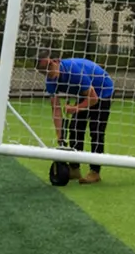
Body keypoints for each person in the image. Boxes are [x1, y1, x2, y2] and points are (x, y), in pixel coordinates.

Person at [36, 49, 115, 184]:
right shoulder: (50, 82)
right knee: (75, 128)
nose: (47, 73)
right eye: (42, 71)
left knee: (96, 130)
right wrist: (60, 136)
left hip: (102, 91)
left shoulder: (73, 71)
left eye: (49, 67)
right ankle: (74, 169)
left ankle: (95, 172)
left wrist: (76, 108)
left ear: (56, 61)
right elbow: (56, 110)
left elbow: (94, 99)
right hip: (84, 93)